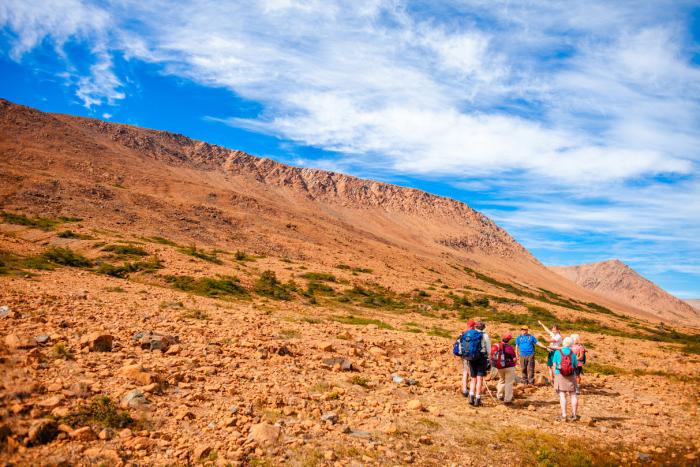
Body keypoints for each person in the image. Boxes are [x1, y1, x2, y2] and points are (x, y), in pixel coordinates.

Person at [552, 336, 579, 421]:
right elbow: (575, 365)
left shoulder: (557, 352)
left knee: (562, 395)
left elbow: (554, 365)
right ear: (571, 344)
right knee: (573, 395)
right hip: (571, 375)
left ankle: (564, 415)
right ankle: (574, 415)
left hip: (559, 374)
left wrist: (554, 375)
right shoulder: (573, 353)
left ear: (563, 343)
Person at [492, 333, 517, 404]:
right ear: (509, 340)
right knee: (509, 383)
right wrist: (514, 364)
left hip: (500, 367)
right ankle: (507, 399)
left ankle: (499, 395)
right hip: (509, 367)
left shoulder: (498, 346)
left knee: (502, 380)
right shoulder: (509, 347)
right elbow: (514, 359)